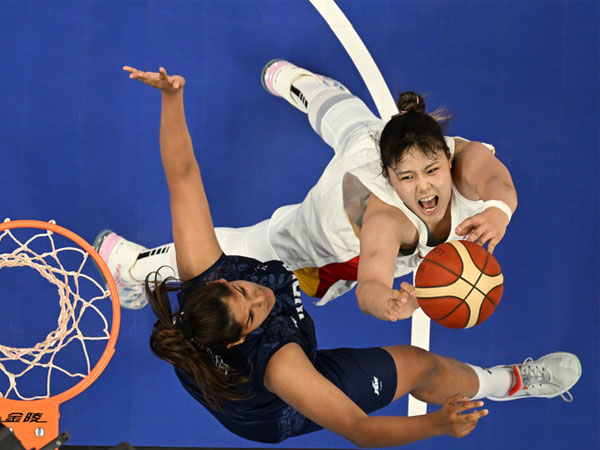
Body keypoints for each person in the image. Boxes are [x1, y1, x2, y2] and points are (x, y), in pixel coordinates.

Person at [95, 65, 580, 447]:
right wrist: (437, 425)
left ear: (217, 281)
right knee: (418, 363)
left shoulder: (209, 276)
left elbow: (182, 175)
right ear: (241, 335)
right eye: (254, 310)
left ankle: (301, 85)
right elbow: (361, 430)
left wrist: (172, 98)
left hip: (314, 226)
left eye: (243, 289)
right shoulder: (282, 363)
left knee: (355, 128)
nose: (262, 294)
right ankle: (508, 382)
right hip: (276, 402)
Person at [100, 60, 517, 320]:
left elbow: (499, 184)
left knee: (355, 123)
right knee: (244, 251)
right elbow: (372, 278)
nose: (425, 185)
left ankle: (295, 81)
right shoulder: (385, 220)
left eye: (432, 170)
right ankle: (127, 261)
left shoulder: (464, 158)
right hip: (330, 221)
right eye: (409, 178)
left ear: (446, 156)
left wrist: (499, 209)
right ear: (388, 175)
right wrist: (384, 303)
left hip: (377, 144)